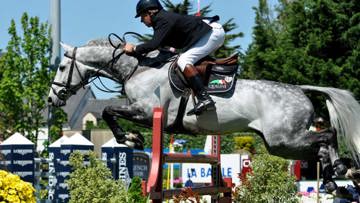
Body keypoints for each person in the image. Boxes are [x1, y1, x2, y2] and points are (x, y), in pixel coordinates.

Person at [124, 0, 225, 116]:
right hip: (207, 32)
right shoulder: (161, 21)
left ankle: (205, 98)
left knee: (184, 60)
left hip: (212, 32)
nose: (141, 20)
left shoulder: (162, 20)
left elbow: (153, 45)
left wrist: (134, 49)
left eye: (142, 16)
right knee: (181, 59)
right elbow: (162, 52)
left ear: (150, 12)